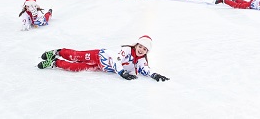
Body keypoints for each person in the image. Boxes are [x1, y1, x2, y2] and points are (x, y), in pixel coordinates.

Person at [37, 35, 169, 83]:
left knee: (76, 67)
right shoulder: (127, 50)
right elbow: (116, 60)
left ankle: (54, 63)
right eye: (140, 46)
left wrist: (154, 75)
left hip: (101, 67)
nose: (141, 50)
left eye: (144, 49)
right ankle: (57, 52)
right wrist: (122, 72)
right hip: (99, 56)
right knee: (76, 55)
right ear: (136, 45)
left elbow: (145, 69)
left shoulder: (141, 60)